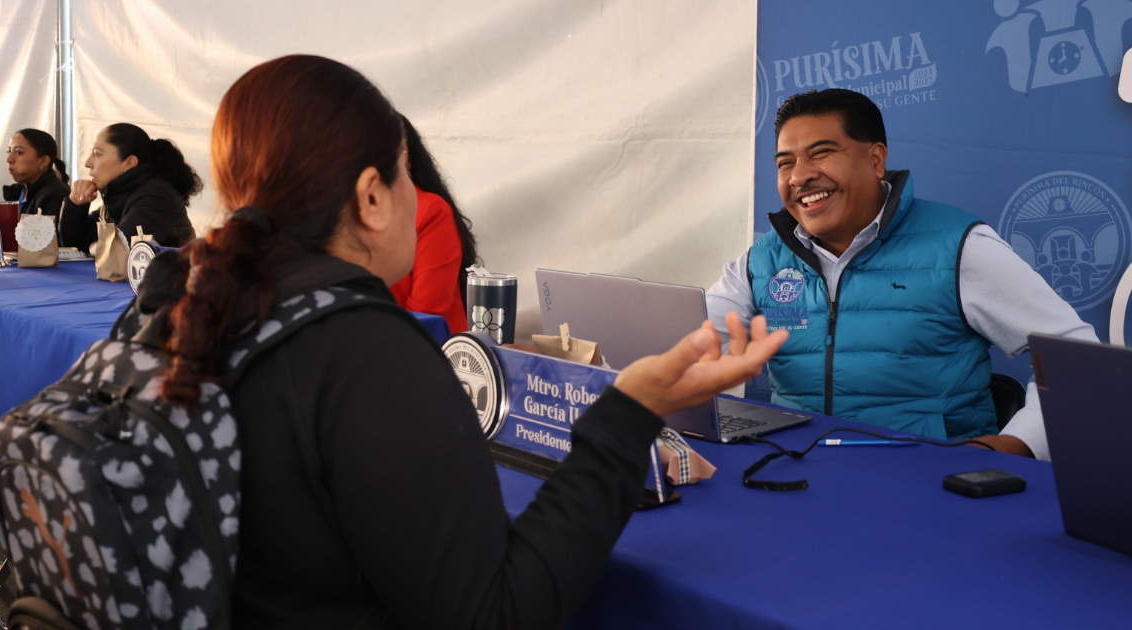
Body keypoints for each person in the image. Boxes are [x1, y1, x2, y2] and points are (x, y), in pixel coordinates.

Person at [134, 54, 786, 629]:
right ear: (371, 197)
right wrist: (628, 415)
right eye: (405, 174)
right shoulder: (365, 353)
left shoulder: (182, 309)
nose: (418, 196)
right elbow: (496, 612)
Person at [707, 88, 1097, 461]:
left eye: (820, 153)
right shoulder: (763, 259)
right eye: (785, 163)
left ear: (876, 159)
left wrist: (1017, 444)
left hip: (931, 480)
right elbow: (691, 346)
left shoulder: (958, 246)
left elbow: (1078, 357)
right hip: (793, 471)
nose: (799, 176)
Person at [388, 114, 480, 333]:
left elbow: (426, 314)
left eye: (396, 151)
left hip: (426, 345)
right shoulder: (341, 211)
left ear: (409, 160)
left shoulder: (431, 211)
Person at [59, 123, 200, 249]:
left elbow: (115, 249)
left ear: (129, 163)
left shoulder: (156, 196)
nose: (87, 163)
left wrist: (95, 247)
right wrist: (75, 204)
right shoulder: (119, 195)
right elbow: (75, 246)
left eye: (97, 154)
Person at [1, 128, 71, 218]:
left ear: (43, 161)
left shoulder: (57, 195)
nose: (9, 159)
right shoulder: (19, 192)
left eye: (18, 152)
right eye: (9, 151)